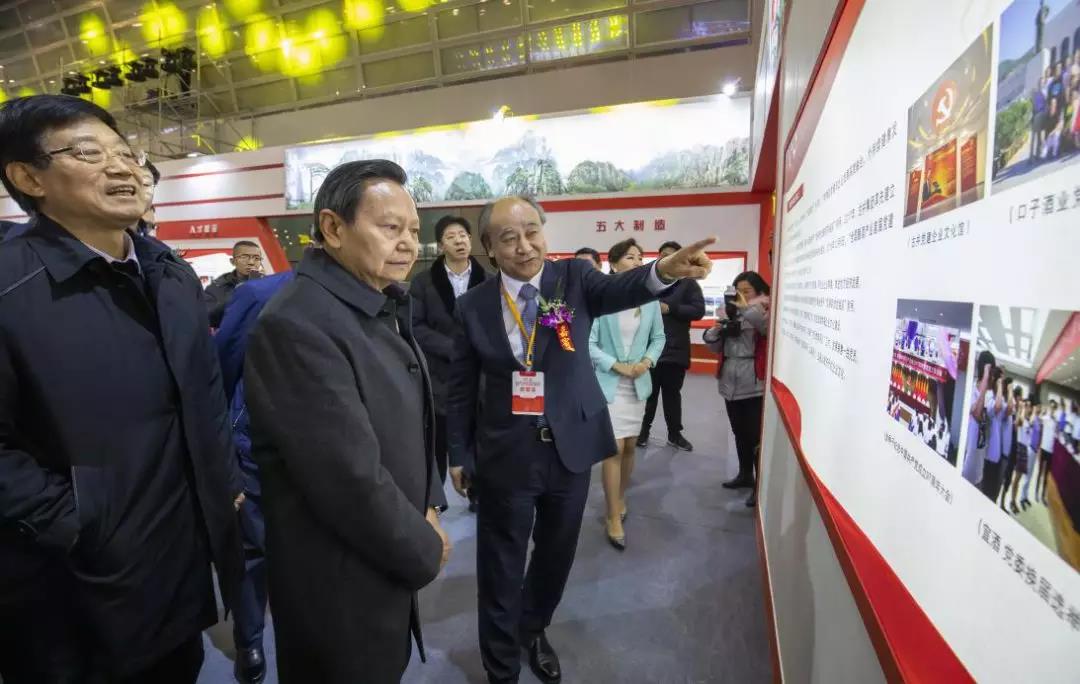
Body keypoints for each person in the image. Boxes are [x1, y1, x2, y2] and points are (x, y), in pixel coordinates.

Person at [0, 94, 243, 683]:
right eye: (88, 153)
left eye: (126, 153)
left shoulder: (169, 273)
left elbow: (205, 392)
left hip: (180, 569)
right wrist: (77, 522)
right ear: (28, 178)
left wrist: (223, 479)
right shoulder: (10, 286)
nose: (122, 168)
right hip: (74, 594)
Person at [446, 195, 713, 684]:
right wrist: (459, 453)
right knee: (501, 564)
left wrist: (663, 271)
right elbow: (461, 386)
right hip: (506, 453)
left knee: (556, 554)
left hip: (571, 446)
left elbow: (624, 288)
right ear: (489, 246)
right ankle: (500, 666)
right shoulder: (473, 306)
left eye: (532, 231)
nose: (525, 246)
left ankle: (533, 628)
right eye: (509, 237)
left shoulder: (574, 278)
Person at [244, 160, 450, 684]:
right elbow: (347, 477)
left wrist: (428, 503)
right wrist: (424, 546)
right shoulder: (298, 323)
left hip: (384, 547)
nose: (408, 244)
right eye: (390, 227)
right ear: (333, 228)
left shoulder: (374, 303)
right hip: (337, 577)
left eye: (413, 231)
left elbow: (413, 420)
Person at [214, 270, 295, 684]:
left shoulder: (380, 296)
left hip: (331, 458)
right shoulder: (260, 295)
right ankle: (249, 640)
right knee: (253, 552)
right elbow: (222, 367)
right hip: (258, 452)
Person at [588, 238, 665, 549]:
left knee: (631, 446)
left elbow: (659, 338)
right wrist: (616, 365)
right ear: (614, 263)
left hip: (639, 382)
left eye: (640, 257)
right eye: (630, 257)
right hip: (609, 383)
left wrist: (647, 361)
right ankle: (612, 516)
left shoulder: (650, 301)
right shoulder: (601, 299)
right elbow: (589, 343)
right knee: (613, 448)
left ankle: (620, 497)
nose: (637, 262)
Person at [410, 214, 489, 505]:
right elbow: (415, 326)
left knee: (479, 436)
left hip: (480, 375)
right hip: (439, 376)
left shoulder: (489, 281)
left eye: (463, 235)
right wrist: (454, 349)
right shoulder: (423, 283)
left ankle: (478, 495)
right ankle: (434, 501)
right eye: (451, 237)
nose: (459, 241)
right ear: (441, 245)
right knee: (438, 442)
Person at [703, 271, 771, 508]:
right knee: (739, 432)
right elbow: (715, 348)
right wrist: (715, 331)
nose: (742, 295)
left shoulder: (764, 310)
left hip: (753, 381)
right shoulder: (728, 312)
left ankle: (759, 486)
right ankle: (744, 475)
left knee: (755, 435)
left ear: (759, 291)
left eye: (747, 291)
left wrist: (745, 309)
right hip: (729, 378)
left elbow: (766, 329)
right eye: (738, 291)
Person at [638, 240, 705, 451]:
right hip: (647, 350)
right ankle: (642, 432)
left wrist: (671, 308)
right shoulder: (648, 281)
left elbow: (698, 311)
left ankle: (675, 434)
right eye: (664, 254)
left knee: (672, 395)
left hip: (675, 350)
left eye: (672, 255)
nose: (667, 258)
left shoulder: (688, 284)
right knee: (647, 395)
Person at [205, 240, 264, 327]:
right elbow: (208, 318)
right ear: (233, 261)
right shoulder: (217, 287)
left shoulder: (269, 285)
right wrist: (237, 294)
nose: (251, 262)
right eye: (244, 257)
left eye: (256, 258)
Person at [1037, 400, 1058, 504]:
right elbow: (1038, 418)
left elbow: (1057, 432)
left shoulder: (1055, 421)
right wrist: (1043, 411)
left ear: (1055, 409)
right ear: (1049, 407)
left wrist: (1054, 419)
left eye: (1054, 408)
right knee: (1040, 472)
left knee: (1046, 475)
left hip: (1050, 451)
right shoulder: (1045, 418)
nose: (1052, 409)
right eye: (1051, 407)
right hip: (1043, 448)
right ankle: (1036, 492)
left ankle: (1042, 495)